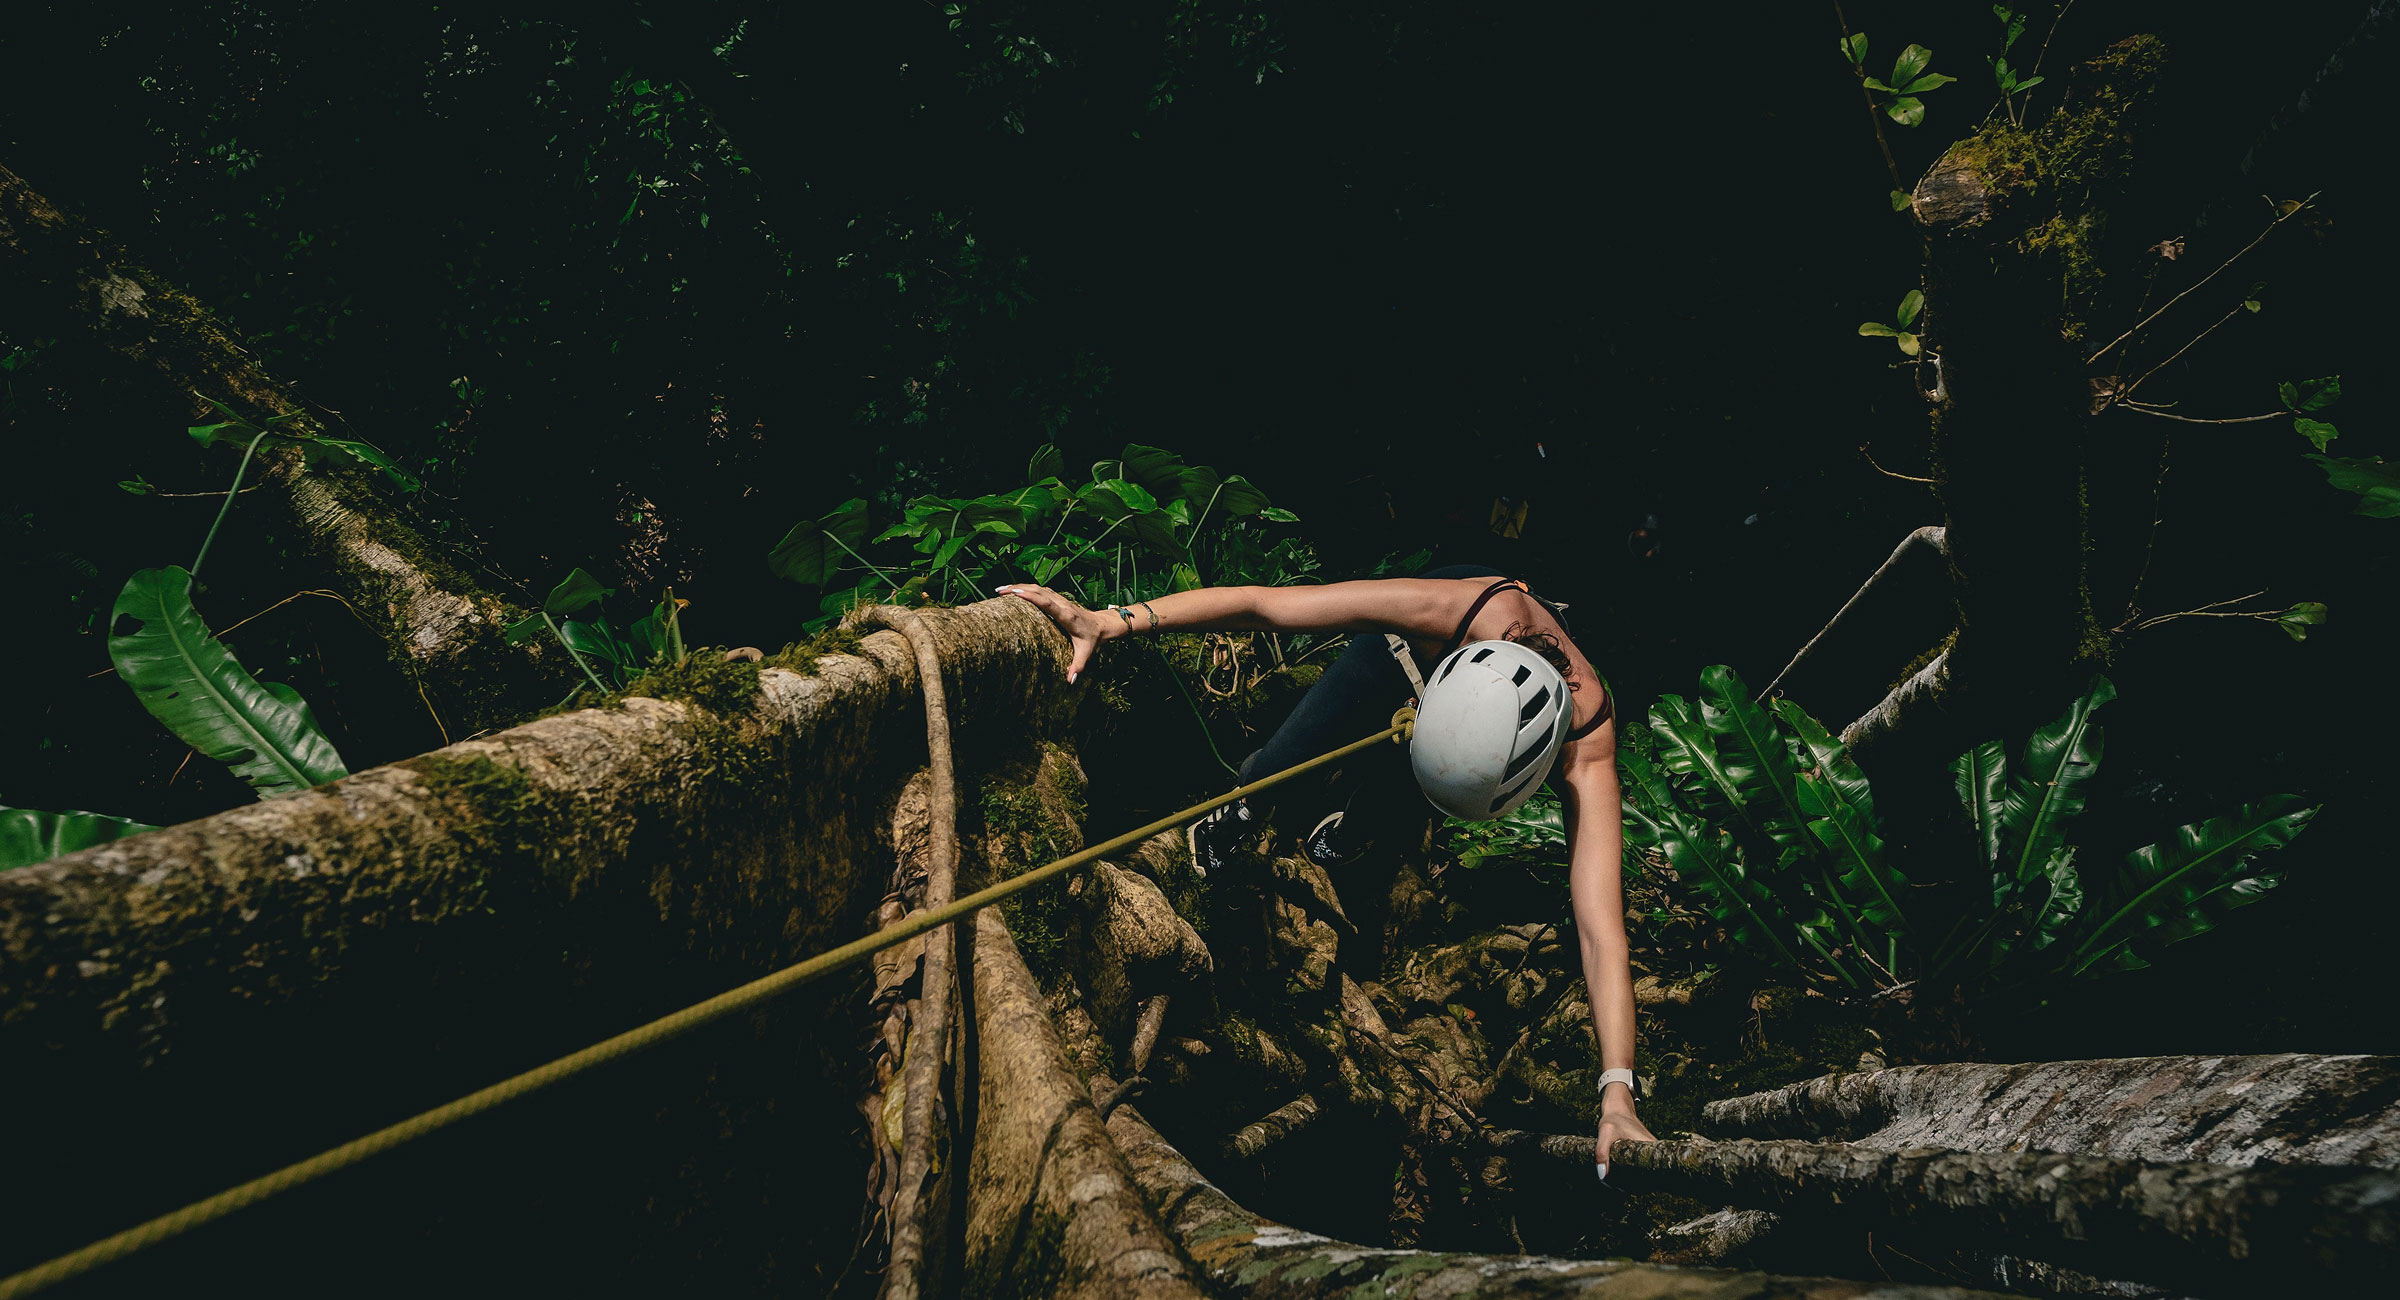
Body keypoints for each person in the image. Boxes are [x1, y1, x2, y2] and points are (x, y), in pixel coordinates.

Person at [997, 567, 1659, 1168]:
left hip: (1459, 732)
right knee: (1277, 769)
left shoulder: (1587, 744)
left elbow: (1602, 932)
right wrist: (1110, 620)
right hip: (1400, 659)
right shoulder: (1444, 607)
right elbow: (1267, 604)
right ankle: (1247, 814)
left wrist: (1617, 1095)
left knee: (1385, 819)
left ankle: (1345, 838)